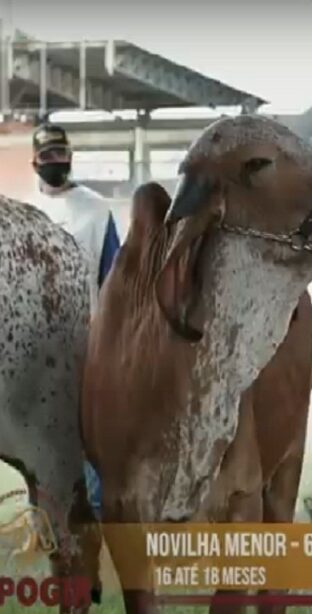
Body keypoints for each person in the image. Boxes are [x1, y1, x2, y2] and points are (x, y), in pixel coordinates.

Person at [28, 122, 120, 520]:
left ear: (71, 157)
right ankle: (43, 520)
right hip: (35, 353)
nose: (55, 161)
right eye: (47, 156)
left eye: (60, 154)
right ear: (34, 162)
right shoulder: (21, 212)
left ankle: (95, 518)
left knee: (90, 438)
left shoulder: (97, 209)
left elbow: (114, 278)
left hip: (87, 347)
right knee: (39, 442)